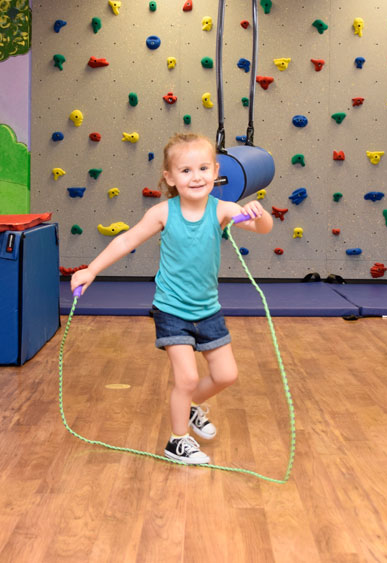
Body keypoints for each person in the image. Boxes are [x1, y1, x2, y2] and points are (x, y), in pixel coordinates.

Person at [71, 133, 273, 464]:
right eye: (186, 170)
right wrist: (91, 270)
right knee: (187, 377)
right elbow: (126, 241)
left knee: (226, 375)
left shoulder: (222, 210)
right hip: (171, 310)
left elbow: (262, 228)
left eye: (203, 168)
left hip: (208, 311)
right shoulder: (163, 213)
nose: (196, 177)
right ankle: (177, 441)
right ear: (169, 177)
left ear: (216, 170)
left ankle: (190, 407)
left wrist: (258, 212)